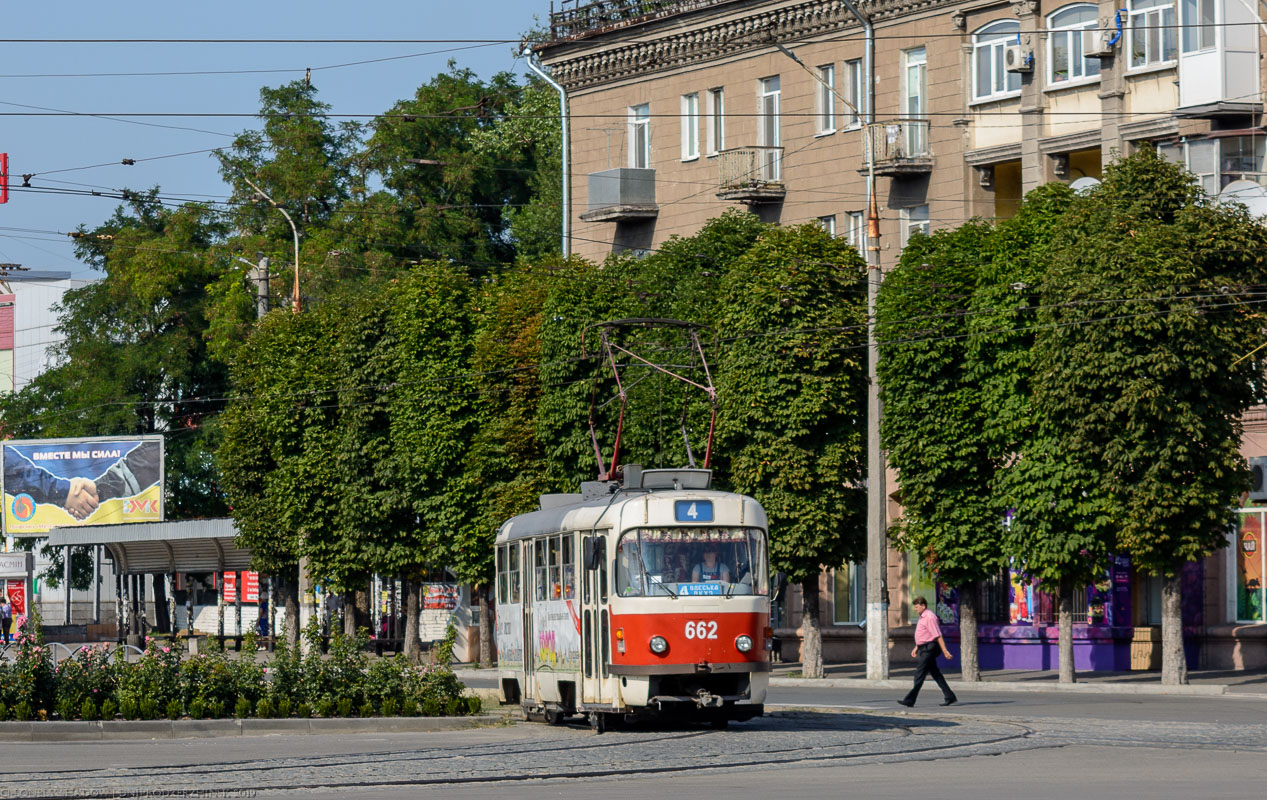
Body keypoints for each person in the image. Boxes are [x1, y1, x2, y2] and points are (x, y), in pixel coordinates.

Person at [898, 596, 957, 708]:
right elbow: (924, 634)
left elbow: (937, 635)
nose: (915, 609)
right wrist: (916, 647)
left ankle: (910, 699)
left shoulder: (929, 617)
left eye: (917, 607)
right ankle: (950, 696)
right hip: (924, 647)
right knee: (935, 673)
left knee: (919, 672)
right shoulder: (923, 616)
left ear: (923, 606)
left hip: (929, 648)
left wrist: (945, 651)